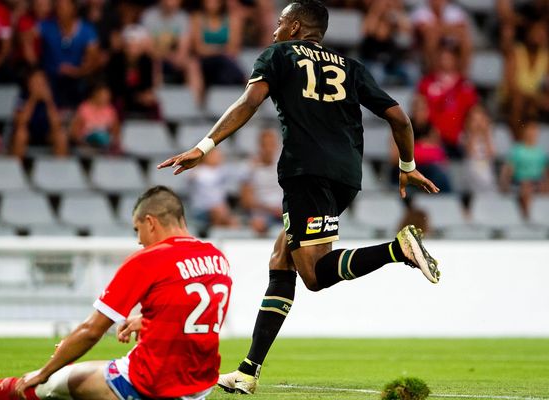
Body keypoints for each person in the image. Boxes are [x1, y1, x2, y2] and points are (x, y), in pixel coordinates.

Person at [159, 0, 441, 394]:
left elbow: (250, 102)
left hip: (305, 171)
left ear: (294, 27)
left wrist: (203, 147)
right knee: (282, 258)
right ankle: (248, 370)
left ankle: (397, 250)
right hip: (346, 176)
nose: (274, 30)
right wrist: (407, 165)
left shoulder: (279, 54)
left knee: (313, 275)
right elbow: (399, 117)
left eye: (279, 23)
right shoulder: (350, 66)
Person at [0, 186, 233, 400]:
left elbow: (91, 330)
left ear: (151, 222)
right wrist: (146, 322)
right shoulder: (217, 258)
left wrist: (45, 370)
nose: (138, 239)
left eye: (137, 230)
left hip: (151, 383)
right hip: (199, 386)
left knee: (50, 385)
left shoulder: (149, 259)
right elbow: (195, 312)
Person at [36, 0, 101, 108]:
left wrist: (77, 71)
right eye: (58, 6)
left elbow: (93, 60)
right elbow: (26, 38)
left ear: (74, 9)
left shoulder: (87, 30)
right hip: (51, 77)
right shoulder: (46, 26)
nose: (60, 10)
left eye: (63, 7)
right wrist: (35, 65)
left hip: (78, 78)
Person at [417, 44, 478, 158]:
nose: (444, 60)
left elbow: (473, 113)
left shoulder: (465, 85)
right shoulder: (426, 83)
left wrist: (469, 136)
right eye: (441, 56)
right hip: (432, 139)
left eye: (448, 57)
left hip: (459, 140)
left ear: (455, 59)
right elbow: (418, 110)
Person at [11, 69, 68, 158]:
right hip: (28, 133)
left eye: (41, 82)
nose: (39, 86)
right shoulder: (22, 97)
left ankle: (60, 169)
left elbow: (57, 124)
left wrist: (49, 102)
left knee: (61, 135)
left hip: (47, 134)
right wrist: (32, 99)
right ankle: (16, 169)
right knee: (21, 134)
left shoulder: (53, 97)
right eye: (35, 82)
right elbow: (21, 122)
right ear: (29, 83)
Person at [190, 0, 245, 88]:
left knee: (225, 67)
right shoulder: (197, 18)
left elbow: (233, 48)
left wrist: (211, 49)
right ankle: (246, 82)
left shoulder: (231, 19)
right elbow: (198, 48)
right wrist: (221, 50)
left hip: (224, 62)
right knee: (224, 62)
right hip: (205, 62)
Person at [500, 121, 549, 218]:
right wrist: (505, 184)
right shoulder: (517, 150)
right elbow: (509, 169)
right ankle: (527, 216)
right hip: (519, 181)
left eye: (534, 131)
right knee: (526, 186)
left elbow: (545, 171)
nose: (532, 133)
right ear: (524, 132)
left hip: (537, 181)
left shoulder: (540, 152)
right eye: (530, 130)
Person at [240, 128, 283, 235]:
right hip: (261, 215)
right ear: (259, 146)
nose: (268, 149)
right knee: (258, 225)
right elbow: (246, 201)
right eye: (265, 145)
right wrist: (270, 209)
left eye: (271, 144)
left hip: (283, 212)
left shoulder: (284, 166)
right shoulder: (249, 168)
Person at [70, 83, 120, 153]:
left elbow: (116, 130)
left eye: (108, 95)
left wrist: (113, 141)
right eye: (104, 95)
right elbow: (75, 131)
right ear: (95, 94)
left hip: (105, 144)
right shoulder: (84, 108)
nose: (107, 98)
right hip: (87, 143)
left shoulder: (110, 109)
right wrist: (82, 142)